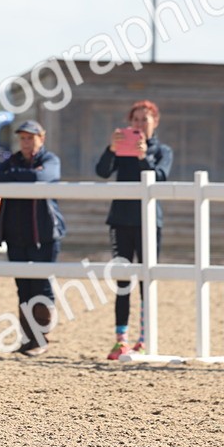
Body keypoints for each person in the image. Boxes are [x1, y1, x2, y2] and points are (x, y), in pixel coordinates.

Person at [94, 100, 173, 360]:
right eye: (135, 120)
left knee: (147, 281)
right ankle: (120, 340)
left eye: (144, 120)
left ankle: (144, 339)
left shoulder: (163, 150)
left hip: (149, 222)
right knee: (123, 281)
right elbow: (102, 171)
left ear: (155, 122)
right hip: (120, 220)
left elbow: (159, 178)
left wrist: (142, 157)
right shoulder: (120, 149)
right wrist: (111, 148)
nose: (139, 124)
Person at [0, 120, 65, 354]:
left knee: (41, 285)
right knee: (23, 286)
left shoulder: (50, 160)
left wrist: (15, 175)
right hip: (16, 233)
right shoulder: (13, 160)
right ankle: (27, 338)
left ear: (41, 139)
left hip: (43, 234)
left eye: (30, 138)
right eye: (22, 138)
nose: (26, 142)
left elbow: (42, 178)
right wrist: (23, 173)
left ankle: (41, 339)